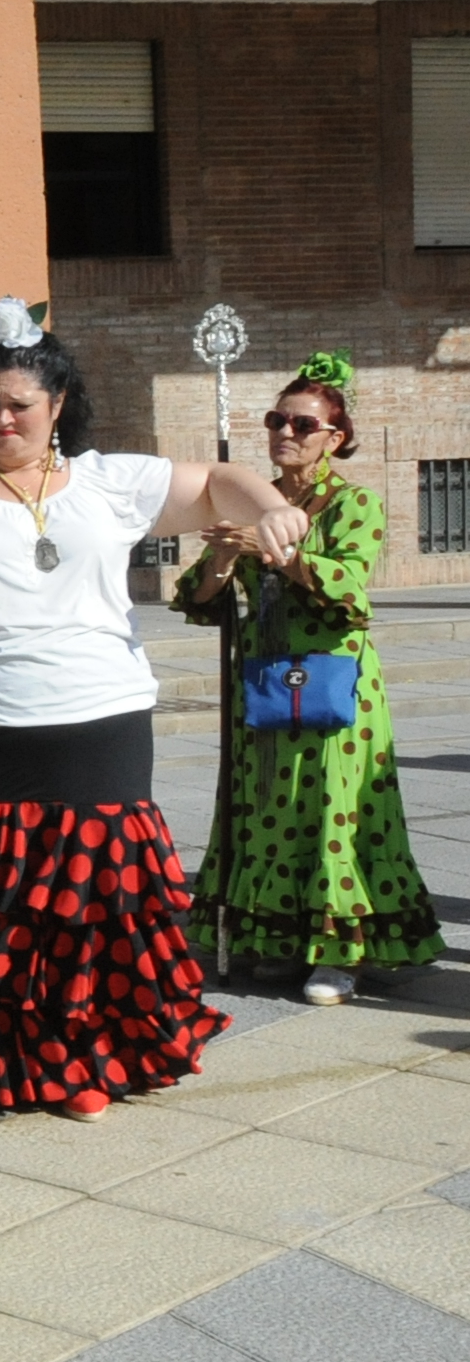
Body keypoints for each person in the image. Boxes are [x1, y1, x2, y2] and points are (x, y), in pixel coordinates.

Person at [0, 299, 311, 1121]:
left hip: (100, 721)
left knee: (93, 904)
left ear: (57, 405)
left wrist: (268, 504)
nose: (3, 419)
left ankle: (88, 1059)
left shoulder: (107, 481)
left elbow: (214, 483)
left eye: (20, 404)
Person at [174, 353, 440, 1005]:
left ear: (335, 436)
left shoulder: (354, 503)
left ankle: (339, 954)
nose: (285, 433)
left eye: (302, 424)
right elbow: (199, 598)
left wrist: (276, 551)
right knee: (266, 805)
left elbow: (349, 587)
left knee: (330, 811)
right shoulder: (250, 499)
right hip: (263, 678)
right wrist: (224, 558)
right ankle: (279, 939)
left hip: (334, 680)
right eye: (276, 421)